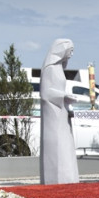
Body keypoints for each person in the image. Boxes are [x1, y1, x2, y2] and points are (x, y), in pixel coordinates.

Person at [39, 38, 79, 185]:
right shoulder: (50, 69)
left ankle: (68, 178)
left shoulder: (59, 68)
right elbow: (46, 93)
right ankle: (55, 180)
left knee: (65, 147)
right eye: (71, 50)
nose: (72, 54)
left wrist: (65, 98)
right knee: (57, 147)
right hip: (53, 114)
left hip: (61, 112)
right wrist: (63, 96)